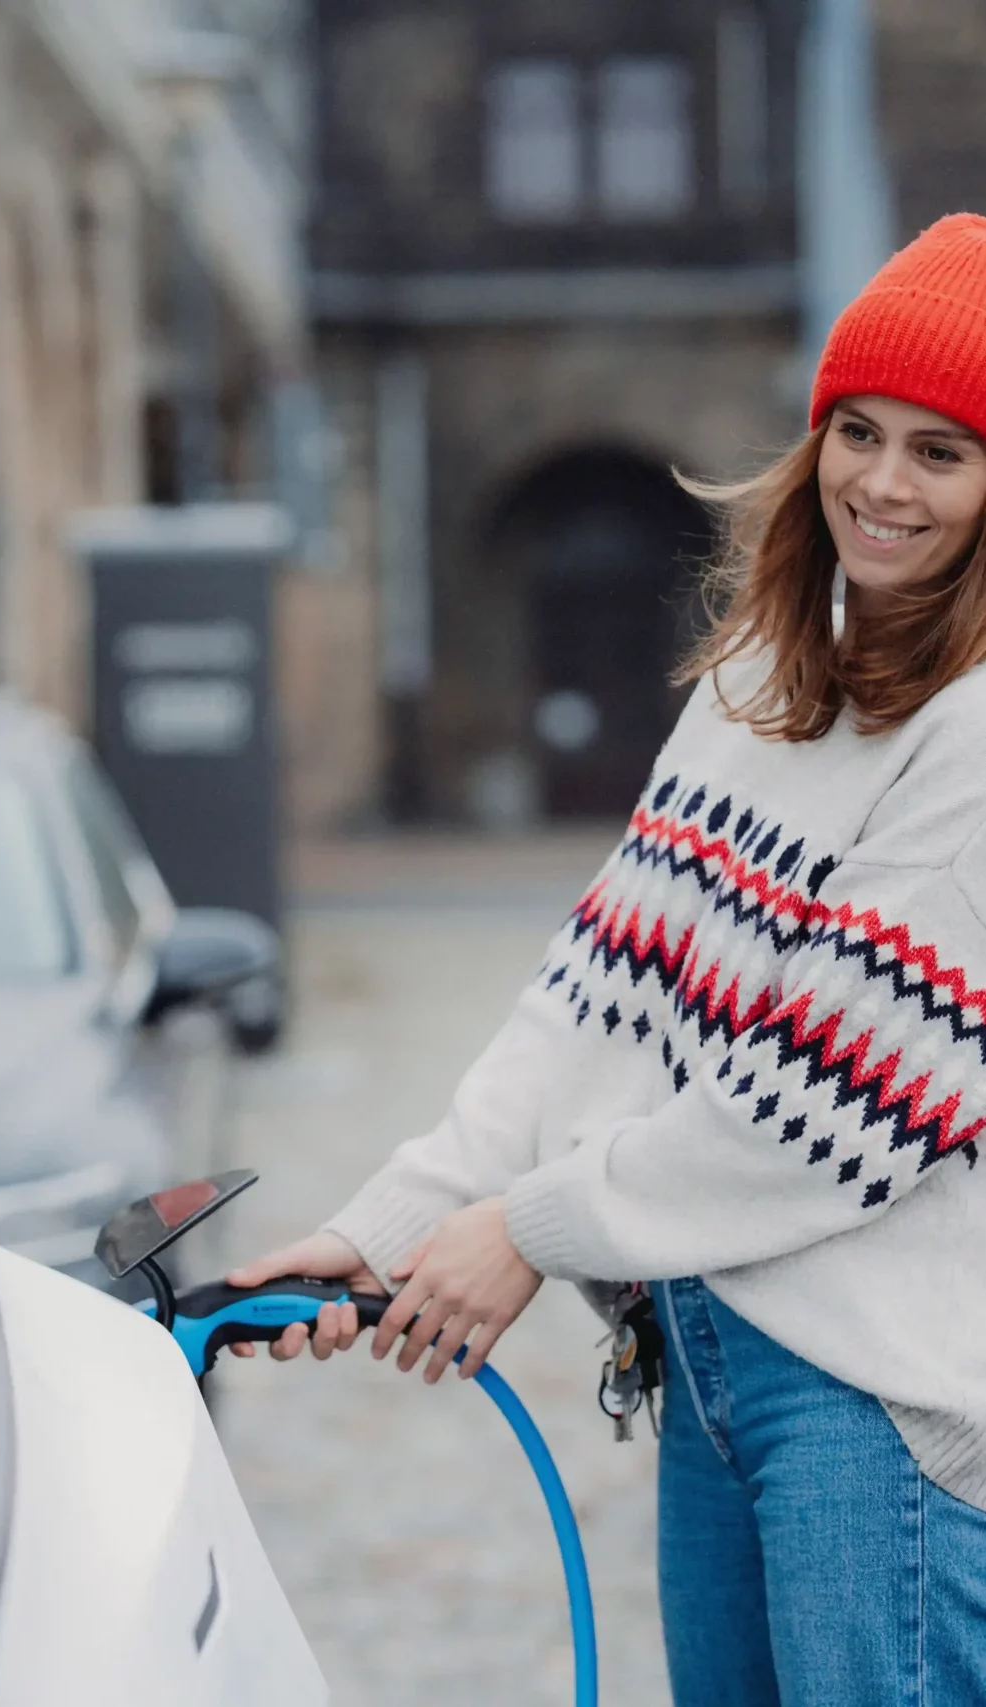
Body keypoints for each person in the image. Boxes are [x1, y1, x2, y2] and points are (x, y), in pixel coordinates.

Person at [230, 212, 986, 1705]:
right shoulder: (767, 675)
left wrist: (531, 1227)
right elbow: (604, 992)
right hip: (711, 1355)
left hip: (877, 1410)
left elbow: (840, 1104)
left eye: (944, 452)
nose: (883, 484)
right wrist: (403, 1219)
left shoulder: (976, 727)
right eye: (859, 431)